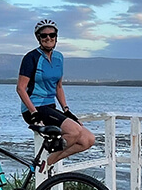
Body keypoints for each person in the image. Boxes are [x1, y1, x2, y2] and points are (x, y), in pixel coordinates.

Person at [16, 19, 95, 173]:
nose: (48, 38)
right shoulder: (31, 58)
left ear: (56, 37)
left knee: (88, 140)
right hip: (34, 107)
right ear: (38, 37)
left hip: (50, 107)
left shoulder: (59, 57)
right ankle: (45, 158)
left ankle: (50, 160)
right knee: (73, 132)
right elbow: (20, 88)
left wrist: (66, 110)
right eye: (44, 35)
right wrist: (33, 113)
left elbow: (58, 87)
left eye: (52, 35)